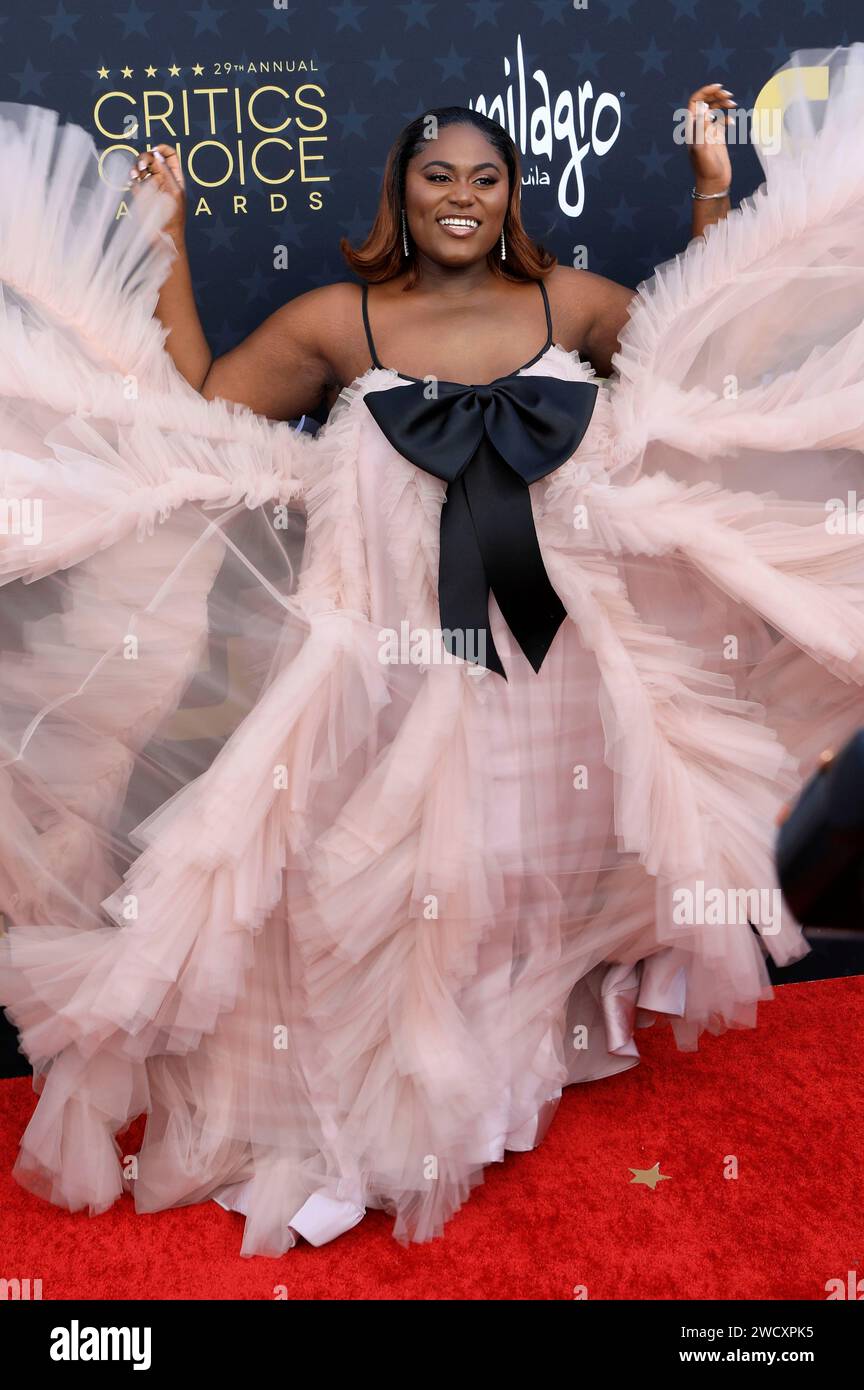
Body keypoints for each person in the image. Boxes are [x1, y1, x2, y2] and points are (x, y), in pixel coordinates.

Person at [1, 44, 863, 1258]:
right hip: (385, 677)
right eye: (435, 175)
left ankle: (498, 1089)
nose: (461, 194)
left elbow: (699, 367)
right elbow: (197, 406)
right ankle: (384, 1118)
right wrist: (169, 236)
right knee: (388, 900)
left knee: (518, 883)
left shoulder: (574, 303)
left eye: (486, 176)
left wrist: (712, 187)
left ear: (512, 197)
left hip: (556, 680)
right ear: (399, 196)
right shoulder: (336, 318)